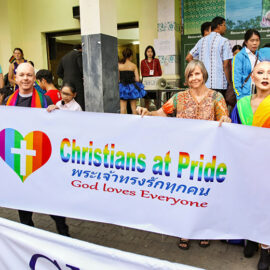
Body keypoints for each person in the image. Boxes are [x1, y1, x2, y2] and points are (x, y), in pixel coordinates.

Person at [137, 60, 231, 250]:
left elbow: (224, 118)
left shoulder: (216, 97)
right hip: (184, 155)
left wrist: (225, 119)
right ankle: (185, 231)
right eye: (190, 75)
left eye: (197, 74)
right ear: (187, 79)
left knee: (204, 193)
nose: (194, 78)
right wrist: (148, 113)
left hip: (207, 154)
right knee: (185, 194)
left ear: (203, 74)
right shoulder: (179, 98)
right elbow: (162, 113)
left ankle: (205, 231)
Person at [4, 62, 70, 237]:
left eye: (29, 75)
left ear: (34, 78)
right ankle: (30, 238)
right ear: (16, 78)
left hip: (42, 160)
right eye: (22, 75)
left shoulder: (46, 100)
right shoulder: (7, 102)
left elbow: (57, 130)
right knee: (23, 207)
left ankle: (64, 233)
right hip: (19, 161)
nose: (25, 78)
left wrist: (57, 114)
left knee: (52, 203)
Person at [231, 61, 270, 270]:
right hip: (246, 164)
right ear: (252, 78)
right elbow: (234, 131)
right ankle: (252, 239)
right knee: (248, 203)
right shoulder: (242, 103)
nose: (265, 76)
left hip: (268, 165)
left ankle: (265, 249)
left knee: (266, 206)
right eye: (260, 72)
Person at [186, 17, 233, 98]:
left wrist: (197, 68)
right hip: (220, 85)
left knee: (205, 108)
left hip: (203, 84)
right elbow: (226, 65)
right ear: (219, 26)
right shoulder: (224, 41)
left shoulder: (202, 41)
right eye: (224, 25)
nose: (225, 28)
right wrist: (229, 82)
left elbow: (188, 57)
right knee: (219, 109)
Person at [232, 29, 261, 101]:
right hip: (245, 96)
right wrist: (239, 97)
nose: (255, 43)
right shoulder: (239, 57)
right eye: (252, 40)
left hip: (260, 95)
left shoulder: (260, 55)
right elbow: (236, 79)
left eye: (257, 40)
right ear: (246, 42)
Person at [119, 48, 146, 114]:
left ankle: (122, 123)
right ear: (131, 56)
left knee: (123, 108)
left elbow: (118, 78)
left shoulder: (119, 65)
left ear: (123, 55)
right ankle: (135, 123)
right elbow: (137, 79)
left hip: (123, 87)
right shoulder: (133, 66)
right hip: (132, 88)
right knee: (134, 108)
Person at [57, 44, 84, 110]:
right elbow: (81, 68)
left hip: (66, 84)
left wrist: (66, 78)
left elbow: (58, 72)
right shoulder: (78, 54)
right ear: (81, 49)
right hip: (77, 84)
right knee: (79, 105)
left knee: (66, 103)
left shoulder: (64, 57)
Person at [140, 45, 162, 110]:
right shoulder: (143, 62)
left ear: (153, 53)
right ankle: (146, 114)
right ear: (146, 53)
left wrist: (154, 76)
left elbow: (160, 72)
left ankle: (158, 113)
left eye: (151, 51)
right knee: (147, 101)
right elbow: (142, 73)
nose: (150, 53)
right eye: (148, 51)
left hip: (155, 83)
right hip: (147, 83)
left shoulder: (156, 61)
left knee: (156, 101)